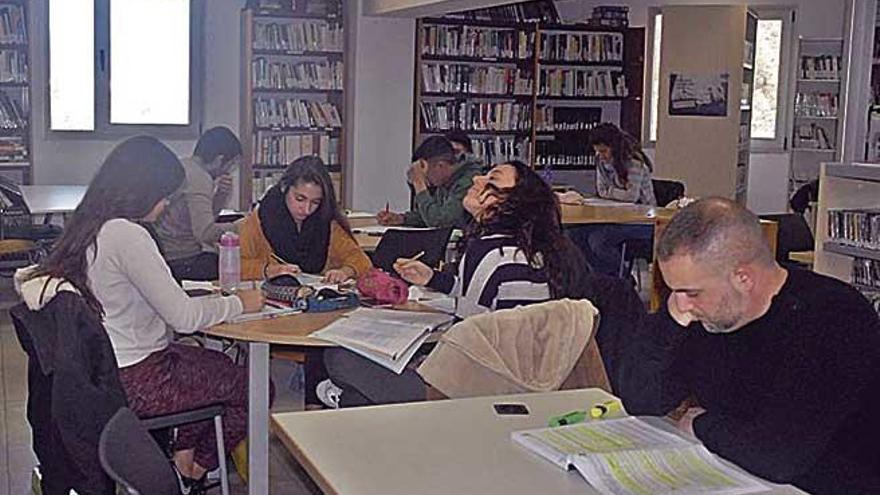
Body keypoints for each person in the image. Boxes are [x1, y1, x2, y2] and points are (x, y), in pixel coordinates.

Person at [23, 136, 268, 490]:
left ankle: (182, 456)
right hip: (136, 376)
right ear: (141, 190)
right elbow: (183, 318)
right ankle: (194, 471)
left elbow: (138, 294)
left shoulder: (88, 222)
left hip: (104, 370)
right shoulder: (128, 234)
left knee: (203, 362)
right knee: (252, 386)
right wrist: (241, 302)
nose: (167, 203)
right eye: (165, 194)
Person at [618, 198, 880, 494]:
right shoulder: (711, 314)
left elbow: (779, 456)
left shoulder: (833, 317)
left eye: (690, 292)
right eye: (674, 290)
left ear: (743, 278)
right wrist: (669, 322)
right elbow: (643, 401)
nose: (681, 303)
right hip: (740, 473)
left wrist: (703, 425)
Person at [321, 160, 589, 407]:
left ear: (513, 203)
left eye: (490, 181)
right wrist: (433, 279)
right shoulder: (522, 250)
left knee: (340, 358)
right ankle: (355, 403)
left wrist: (420, 361)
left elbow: (468, 336)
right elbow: (484, 311)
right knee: (360, 390)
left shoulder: (489, 253)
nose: (476, 180)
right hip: (515, 376)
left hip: (471, 390)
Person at [238, 155, 372, 282]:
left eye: (315, 202)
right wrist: (267, 270)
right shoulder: (261, 217)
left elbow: (361, 261)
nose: (307, 210)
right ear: (285, 188)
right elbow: (236, 266)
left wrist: (345, 272)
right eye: (300, 199)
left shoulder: (325, 221)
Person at [155, 126, 243, 281]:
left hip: (166, 252)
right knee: (236, 266)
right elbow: (205, 233)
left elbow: (204, 219)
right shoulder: (199, 178)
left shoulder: (185, 166)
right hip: (181, 258)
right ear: (219, 159)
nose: (230, 170)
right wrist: (244, 226)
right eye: (231, 164)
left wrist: (221, 195)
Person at [568, 122, 657, 276]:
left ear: (615, 147)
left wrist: (610, 191)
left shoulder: (635, 163)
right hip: (614, 217)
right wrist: (614, 193)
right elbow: (601, 191)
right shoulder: (601, 161)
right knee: (574, 234)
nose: (601, 156)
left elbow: (631, 197)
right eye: (597, 152)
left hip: (642, 221)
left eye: (604, 151)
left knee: (599, 241)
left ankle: (622, 278)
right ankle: (597, 279)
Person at [376, 136, 482, 229]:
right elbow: (433, 213)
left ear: (440, 166)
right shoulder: (446, 180)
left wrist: (419, 185)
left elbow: (440, 222)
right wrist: (402, 219)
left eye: (425, 171)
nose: (424, 177)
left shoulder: (469, 181)